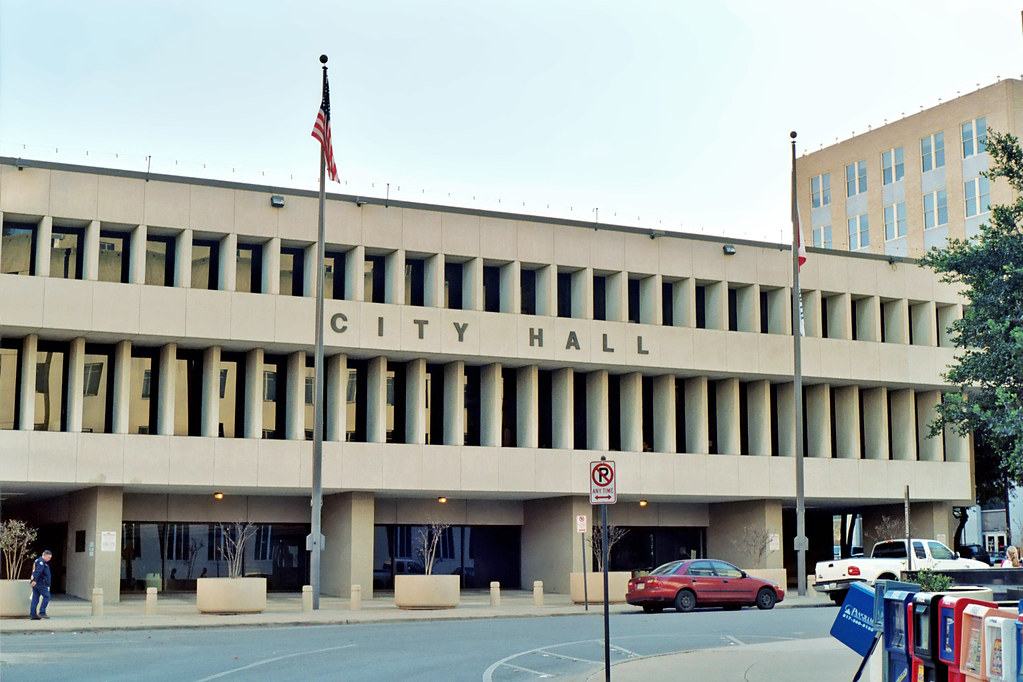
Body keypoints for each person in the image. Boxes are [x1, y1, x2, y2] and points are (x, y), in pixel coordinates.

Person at [29, 550, 52, 620]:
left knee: (35, 599)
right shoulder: (41, 562)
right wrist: (35, 580)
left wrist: (33, 580)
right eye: (49, 557)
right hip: (41, 583)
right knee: (47, 596)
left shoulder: (38, 561)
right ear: (45, 556)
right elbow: (38, 572)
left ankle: (33, 615)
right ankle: (42, 612)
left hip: (38, 583)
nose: (49, 559)